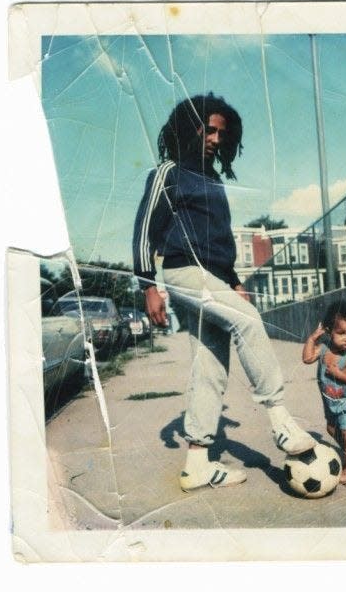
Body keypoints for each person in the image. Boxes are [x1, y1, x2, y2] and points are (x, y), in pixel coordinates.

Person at [133, 92, 316, 491]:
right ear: (189, 129)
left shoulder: (213, 181)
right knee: (248, 321)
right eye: (208, 129)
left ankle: (197, 462)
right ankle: (281, 421)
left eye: (221, 133)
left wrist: (233, 281)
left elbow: (217, 243)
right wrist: (148, 285)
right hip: (182, 272)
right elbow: (146, 228)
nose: (215, 138)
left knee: (212, 364)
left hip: (212, 278)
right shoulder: (169, 171)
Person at [302, 300, 346, 484]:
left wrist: (338, 373)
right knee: (331, 429)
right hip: (332, 401)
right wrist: (311, 339)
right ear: (328, 331)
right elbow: (307, 358)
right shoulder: (324, 349)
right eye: (341, 333)